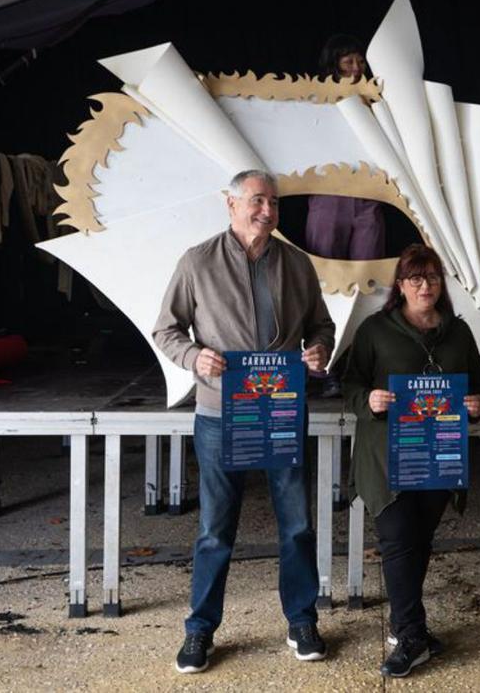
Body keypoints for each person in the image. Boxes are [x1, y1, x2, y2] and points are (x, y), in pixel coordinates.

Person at [153, 169, 336, 673]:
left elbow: (322, 323)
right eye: (257, 201)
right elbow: (165, 330)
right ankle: (199, 630)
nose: (267, 212)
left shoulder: (297, 264)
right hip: (219, 413)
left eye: (273, 204)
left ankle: (301, 620)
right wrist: (194, 358)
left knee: (296, 524)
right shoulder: (197, 262)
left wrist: (320, 349)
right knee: (215, 528)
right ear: (230, 204)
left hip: (280, 410)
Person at [342, 244, 480, 677]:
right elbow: (350, 385)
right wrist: (368, 398)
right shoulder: (375, 330)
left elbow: (479, 385)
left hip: (439, 454)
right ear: (401, 285)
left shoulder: (458, 333)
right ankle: (410, 635)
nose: (425, 286)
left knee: (419, 542)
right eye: (415, 279)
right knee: (397, 539)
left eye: (432, 278)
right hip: (387, 456)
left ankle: (409, 628)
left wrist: (476, 403)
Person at [304, 34, 385, 261]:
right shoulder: (315, 101)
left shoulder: (376, 101)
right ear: (334, 65)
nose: (357, 68)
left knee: (370, 270)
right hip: (329, 194)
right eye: (349, 62)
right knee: (326, 272)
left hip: (368, 195)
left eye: (360, 61)